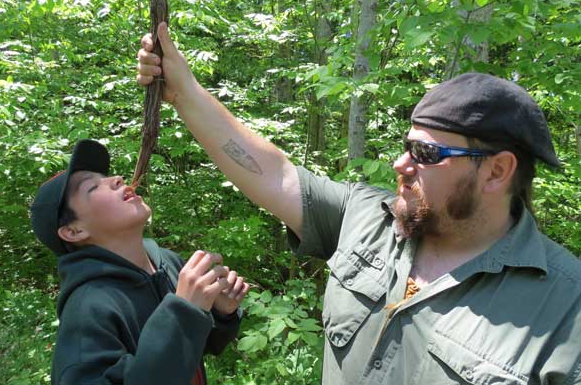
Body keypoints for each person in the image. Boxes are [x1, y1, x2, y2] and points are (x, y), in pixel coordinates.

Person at [136, 22, 581, 384]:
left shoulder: (566, 310)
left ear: (497, 171)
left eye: (426, 154)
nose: (400, 164)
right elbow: (273, 173)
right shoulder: (367, 218)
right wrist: (184, 92)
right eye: (407, 146)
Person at [30, 139, 250, 384]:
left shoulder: (168, 262)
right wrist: (185, 312)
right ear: (74, 231)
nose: (117, 179)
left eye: (105, 176)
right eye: (91, 187)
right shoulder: (88, 308)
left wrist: (222, 313)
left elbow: (193, 348)